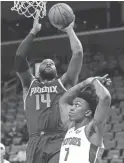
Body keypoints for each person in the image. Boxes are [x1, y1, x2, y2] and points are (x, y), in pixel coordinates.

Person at [15, 11, 83, 163]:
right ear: (37, 72)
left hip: (58, 140)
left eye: (51, 63)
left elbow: (78, 53)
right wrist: (33, 31)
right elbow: (19, 57)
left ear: (57, 71)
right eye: (45, 62)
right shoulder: (29, 84)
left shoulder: (64, 83)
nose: (49, 63)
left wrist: (69, 29)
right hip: (34, 142)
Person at [59, 75, 111, 163]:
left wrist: (93, 81)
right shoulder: (70, 127)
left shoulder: (92, 129)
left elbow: (105, 98)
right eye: (73, 104)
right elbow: (63, 101)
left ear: (87, 112)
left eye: (77, 105)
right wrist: (85, 82)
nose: (71, 108)